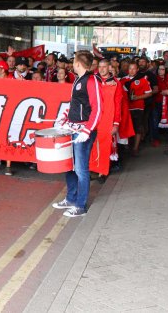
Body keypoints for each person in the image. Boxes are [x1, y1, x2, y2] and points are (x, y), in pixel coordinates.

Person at [52, 50, 102, 218]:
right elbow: (76, 104)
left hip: (83, 131)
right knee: (70, 166)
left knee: (81, 169)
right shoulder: (78, 80)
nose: (72, 64)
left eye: (74, 61)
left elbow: (98, 108)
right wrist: (64, 117)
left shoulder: (91, 80)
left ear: (78, 64)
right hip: (73, 128)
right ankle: (71, 198)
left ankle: (80, 205)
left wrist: (87, 130)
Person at [122, 62, 152, 156]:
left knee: (138, 128)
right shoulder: (123, 80)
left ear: (137, 69)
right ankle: (127, 146)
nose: (131, 70)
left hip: (138, 107)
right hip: (126, 108)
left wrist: (137, 97)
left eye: (134, 68)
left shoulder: (142, 80)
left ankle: (135, 148)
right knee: (127, 128)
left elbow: (149, 93)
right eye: (130, 68)